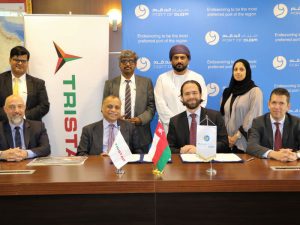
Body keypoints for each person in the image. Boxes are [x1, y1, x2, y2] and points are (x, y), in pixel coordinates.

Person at [103, 50, 155, 153]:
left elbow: (151, 107)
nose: (127, 64)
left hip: (141, 134)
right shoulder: (110, 84)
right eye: (124, 61)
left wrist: (140, 119)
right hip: (117, 132)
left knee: (140, 167)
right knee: (116, 166)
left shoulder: (146, 82)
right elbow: (104, 107)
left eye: (131, 61)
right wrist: (115, 117)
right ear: (119, 65)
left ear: (135, 64)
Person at [155, 44, 208, 133]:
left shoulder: (198, 77)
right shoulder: (162, 78)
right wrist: (174, 123)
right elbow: (160, 104)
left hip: (192, 124)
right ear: (171, 60)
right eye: (176, 58)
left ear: (188, 60)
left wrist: (189, 120)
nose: (179, 61)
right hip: (169, 127)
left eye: (182, 58)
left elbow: (202, 101)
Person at [167, 80, 229, 154]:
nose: (191, 96)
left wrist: (200, 149)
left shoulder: (215, 116)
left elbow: (224, 144)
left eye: (194, 93)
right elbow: (169, 148)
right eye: (187, 94)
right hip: (184, 164)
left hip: (209, 162)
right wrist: (181, 150)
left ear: (200, 95)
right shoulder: (174, 121)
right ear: (182, 97)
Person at [220, 59, 263, 153]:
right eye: (235, 69)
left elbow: (253, 117)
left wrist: (236, 136)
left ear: (247, 71)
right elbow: (222, 116)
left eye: (241, 69)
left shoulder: (255, 91)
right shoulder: (227, 92)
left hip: (243, 143)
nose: (238, 72)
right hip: (226, 143)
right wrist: (225, 137)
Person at [247, 88, 300, 162]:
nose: (277, 107)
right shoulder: (258, 122)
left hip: (290, 166)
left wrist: (296, 155)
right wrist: (274, 154)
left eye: (281, 103)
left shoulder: (297, 122)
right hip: (265, 167)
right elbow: (251, 146)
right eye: (274, 102)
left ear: (288, 107)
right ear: (269, 104)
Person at [77, 95, 142, 156]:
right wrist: (98, 159)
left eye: (117, 107)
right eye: (110, 106)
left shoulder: (130, 128)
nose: (113, 110)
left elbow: (138, 153)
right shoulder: (88, 130)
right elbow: (81, 154)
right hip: (98, 166)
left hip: (123, 166)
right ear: (102, 108)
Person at [0, 46, 50, 122]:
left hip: (30, 128)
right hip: (3, 128)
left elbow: (44, 106)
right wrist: (10, 116)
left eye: (23, 61)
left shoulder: (38, 83)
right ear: (10, 60)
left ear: (27, 63)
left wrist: (23, 116)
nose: (20, 63)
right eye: (16, 60)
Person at [0, 95, 50, 161]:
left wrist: (26, 153)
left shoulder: (38, 126)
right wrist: (2, 154)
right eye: (12, 107)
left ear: (24, 108)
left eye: (20, 106)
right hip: (6, 168)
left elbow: (46, 149)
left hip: (31, 167)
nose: (16, 111)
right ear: (5, 109)